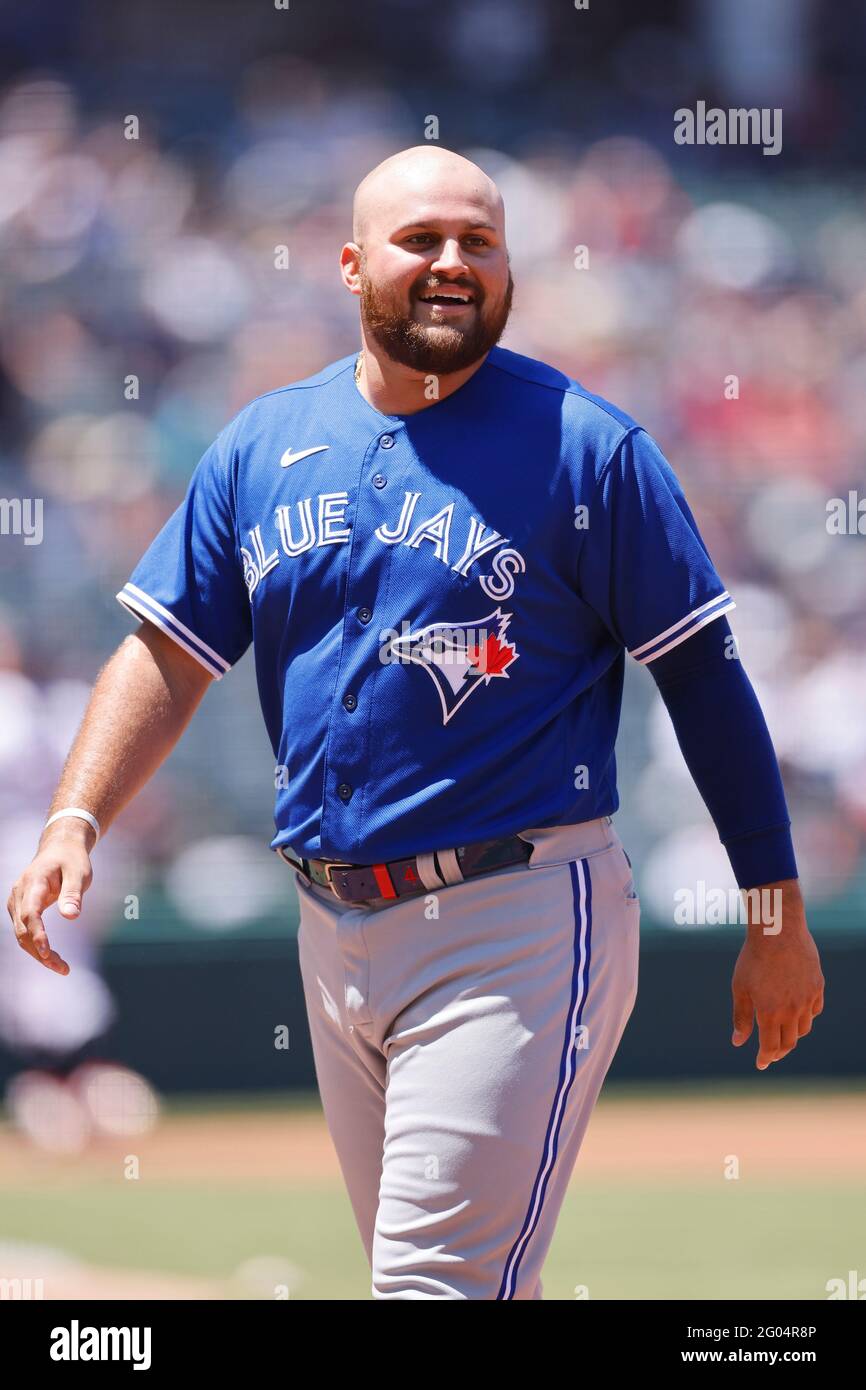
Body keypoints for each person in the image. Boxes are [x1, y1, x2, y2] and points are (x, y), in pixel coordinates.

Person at [6, 146, 824, 1300]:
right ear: (349, 265)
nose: (452, 262)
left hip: (516, 916)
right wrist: (77, 815)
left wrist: (773, 912)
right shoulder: (261, 446)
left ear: (509, 269)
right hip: (331, 924)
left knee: (431, 1288)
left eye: (478, 242)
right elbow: (166, 650)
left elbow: (704, 678)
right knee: (471, 1287)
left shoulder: (586, 449)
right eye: (420, 239)